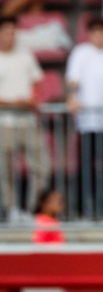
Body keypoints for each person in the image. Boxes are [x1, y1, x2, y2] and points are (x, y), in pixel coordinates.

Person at [66, 16, 103, 217]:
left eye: (102, 31)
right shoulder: (81, 53)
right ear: (90, 34)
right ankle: (82, 208)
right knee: (85, 167)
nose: (100, 36)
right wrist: (72, 98)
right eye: (96, 31)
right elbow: (73, 81)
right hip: (88, 121)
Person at [0, 15, 48, 220]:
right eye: (7, 32)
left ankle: (32, 210)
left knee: (41, 166)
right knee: (4, 171)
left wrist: (32, 100)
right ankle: (11, 210)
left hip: (28, 121)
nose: (11, 36)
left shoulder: (25, 56)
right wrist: (15, 102)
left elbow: (36, 83)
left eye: (14, 32)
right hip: (4, 123)